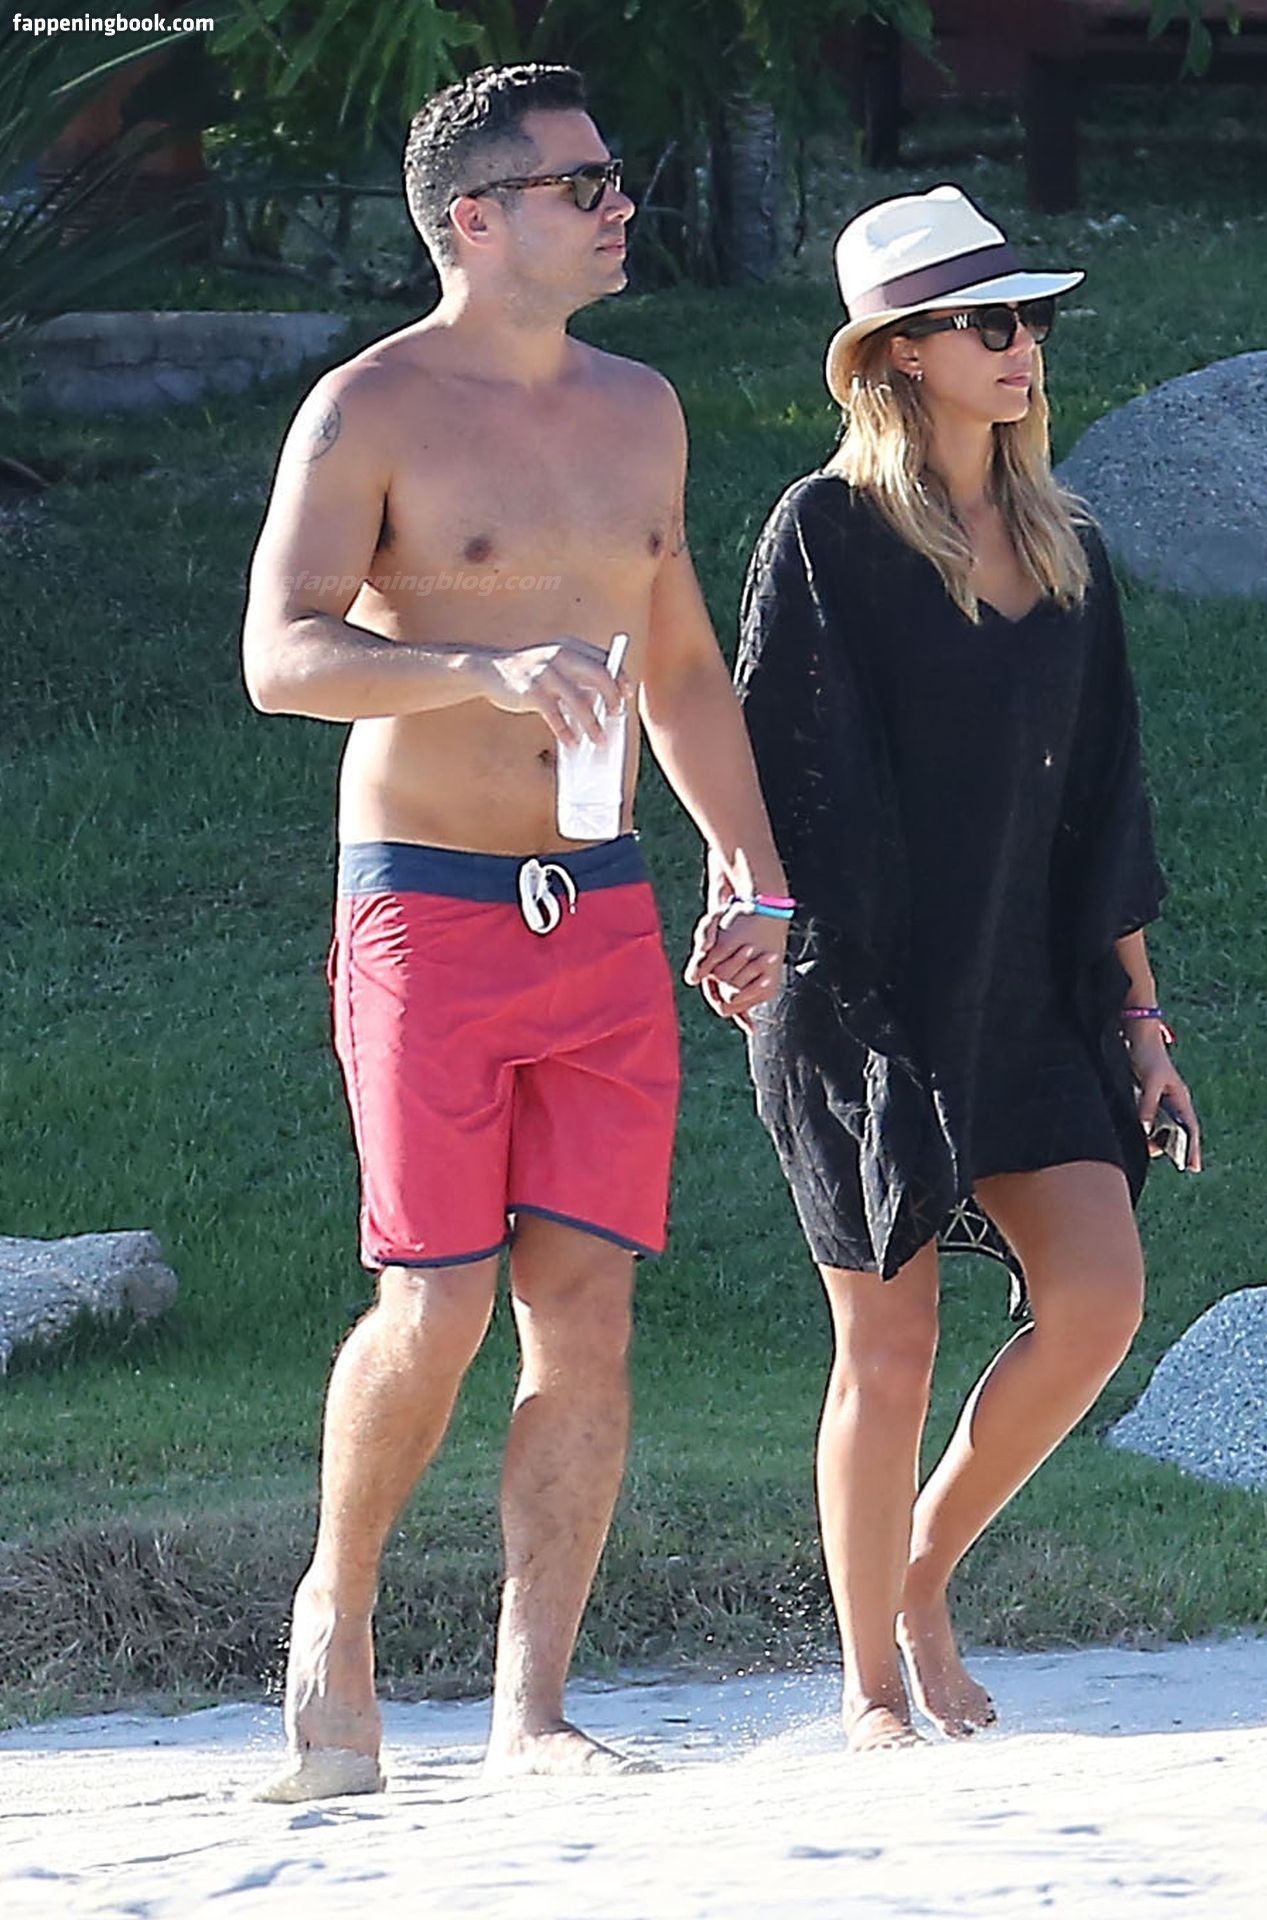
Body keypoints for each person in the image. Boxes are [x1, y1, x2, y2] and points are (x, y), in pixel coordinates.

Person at [240, 63, 788, 1798]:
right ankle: (337, 1610)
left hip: (601, 905)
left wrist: (751, 868)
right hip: (427, 899)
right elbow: (280, 654)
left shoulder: (643, 407)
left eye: (615, 179)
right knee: (435, 1303)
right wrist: (475, 668)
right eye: (584, 184)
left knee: (587, 1308)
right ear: (475, 218)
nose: (622, 206)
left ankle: (530, 1711)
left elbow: (677, 662)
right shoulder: (368, 406)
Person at [721, 185, 1202, 1753]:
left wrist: (1138, 1016)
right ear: (898, 355)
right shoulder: (826, 532)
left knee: (1097, 1298)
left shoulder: (1066, 544)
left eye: (1029, 316)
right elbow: (773, 762)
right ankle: (867, 1683)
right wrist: (753, 908)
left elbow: (1106, 796)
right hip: (861, 993)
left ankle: (920, 1578)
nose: (1019, 345)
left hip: (1031, 985)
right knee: (892, 1344)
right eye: (984, 321)